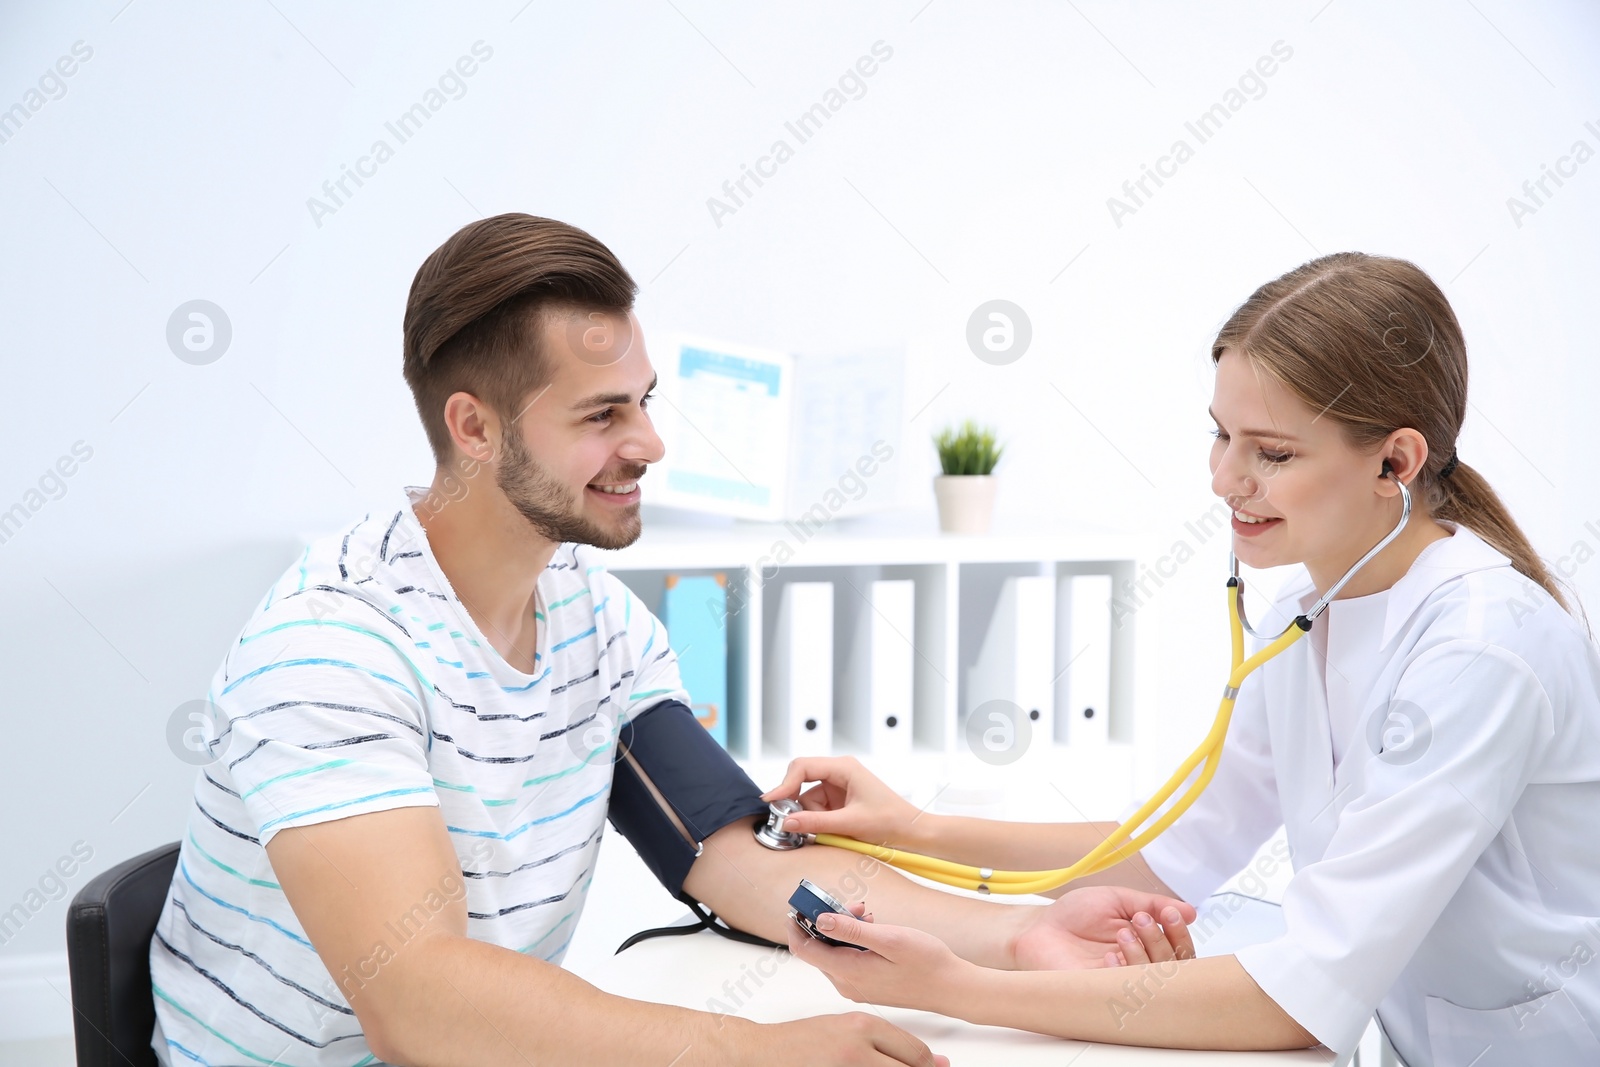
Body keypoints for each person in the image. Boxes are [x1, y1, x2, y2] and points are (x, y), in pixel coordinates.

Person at [146, 213, 1199, 1067]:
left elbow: (730, 856)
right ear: (474, 427)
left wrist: (1014, 937)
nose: (649, 444)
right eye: (603, 414)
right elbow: (417, 1001)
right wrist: (756, 1049)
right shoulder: (333, 649)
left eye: (644, 403)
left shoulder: (594, 618)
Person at [767, 253, 1600, 1066]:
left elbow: (1300, 993)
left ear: (1395, 462)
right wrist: (918, 826)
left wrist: (956, 987)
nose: (1224, 479)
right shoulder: (1306, 614)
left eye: (1270, 452)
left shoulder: (1481, 650)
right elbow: (1167, 853)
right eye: (1221, 436)